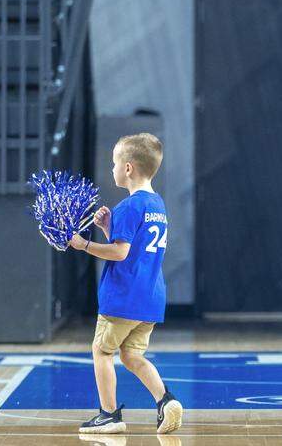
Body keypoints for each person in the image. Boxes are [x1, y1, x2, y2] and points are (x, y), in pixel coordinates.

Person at [70, 133, 183, 435]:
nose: (112, 169)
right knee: (132, 356)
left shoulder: (128, 207)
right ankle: (165, 400)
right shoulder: (157, 205)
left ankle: (108, 414)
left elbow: (121, 253)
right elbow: (131, 248)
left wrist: (84, 245)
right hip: (149, 299)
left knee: (102, 351)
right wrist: (109, 228)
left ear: (129, 168)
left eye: (114, 163)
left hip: (122, 298)